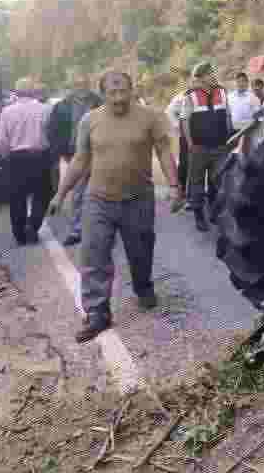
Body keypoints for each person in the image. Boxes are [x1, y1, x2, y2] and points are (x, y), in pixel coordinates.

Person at [47, 70, 183, 343]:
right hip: (98, 200)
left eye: (123, 92)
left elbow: (164, 151)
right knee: (93, 255)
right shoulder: (90, 120)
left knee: (141, 251)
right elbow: (80, 159)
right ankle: (97, 313)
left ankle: (143, 286)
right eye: (112, 92)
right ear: (103, 94)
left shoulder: (150, 117)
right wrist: (60, 194)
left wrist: (174, 186)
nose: (119, 98)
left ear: (132, 91)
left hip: (138, 199)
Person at [46, 72, 103, 246]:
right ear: (71, 86)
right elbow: (52, 130)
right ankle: (78, 229)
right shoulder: (62, 106)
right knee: (79, 192)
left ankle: (99, 228)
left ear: (89, 84)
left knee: (98, 190)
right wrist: (59, 151)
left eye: (84, 83)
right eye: (77, 84)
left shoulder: (99, 102)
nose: (81, 87)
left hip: (99, 151)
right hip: (74, 153)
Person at [0, 77, 54, 246]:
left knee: (16, 197)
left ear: (15, 92)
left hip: (16, 158)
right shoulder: (46, 109)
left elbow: (2, 140)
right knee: (42, 194)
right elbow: (51, 134)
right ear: (33, 92)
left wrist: (6, 156)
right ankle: (33, 225)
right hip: (39, 156)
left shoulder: (7, 111)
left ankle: (19, 234)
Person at [181, 62, 232, 232]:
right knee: (196, 183)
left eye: (213, 73)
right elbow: (185, 121)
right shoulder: (190, 95)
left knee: (218, 181)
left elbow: (227, 116)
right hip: (199, 148)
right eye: (209, 74)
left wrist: (229, 139)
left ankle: (215, 212)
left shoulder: (222, 91)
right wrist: (190, 145)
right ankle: (199, 216)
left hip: (220, 147)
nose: (213, 76)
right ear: (200, 77)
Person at [165, 72, 191, 202]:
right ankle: (181, 191)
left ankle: (192, 193)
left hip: (201, 136)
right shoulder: (181, 97)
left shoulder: (201, 95)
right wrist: (178, 127)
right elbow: (169, 112)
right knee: (185, 163)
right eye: (189, 81)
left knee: (197, 165)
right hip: (185, 136)